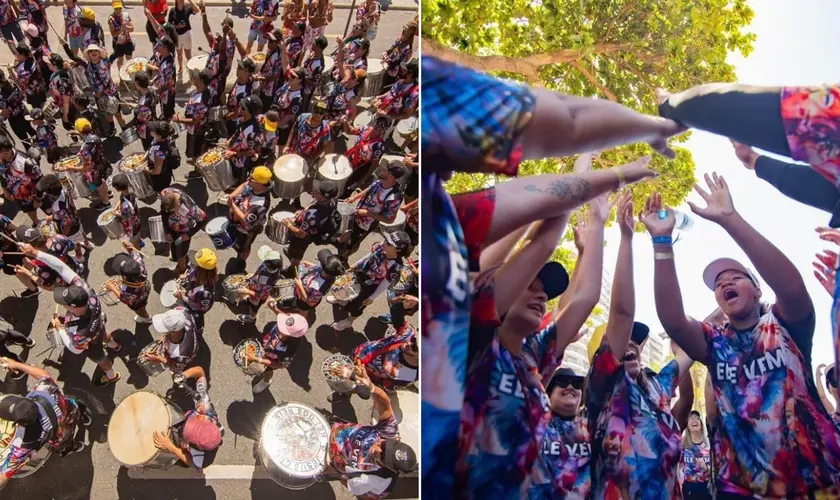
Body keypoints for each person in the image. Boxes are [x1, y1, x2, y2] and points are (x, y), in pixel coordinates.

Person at [421, 56, 681, 492]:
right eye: (531, 285)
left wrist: (600, 201)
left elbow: (578, 294)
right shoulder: (473, 333)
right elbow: (541, 217)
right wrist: (606, 175)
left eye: (545, 289)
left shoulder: (533, 358)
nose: (541, 295)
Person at [643, 173, 840, 497]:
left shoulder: (785, 324)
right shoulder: (714, 341)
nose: (724, 284)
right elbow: (674, 321)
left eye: (735, 277)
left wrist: (730, 219)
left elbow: (791, 287)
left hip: (814, 483)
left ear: (758, 289)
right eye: (718, 284)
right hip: (742, 489)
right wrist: (661, 242)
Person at [20, 244, 122, 385]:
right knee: (104, 333)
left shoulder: (79, 332)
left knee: (100, 358)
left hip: (91, 342)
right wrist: (35, 253)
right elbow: (61, 267)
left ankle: (111, 376)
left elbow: (75, 349)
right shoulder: (86, 290)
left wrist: (60, 328)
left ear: (72, 307)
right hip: (98, 323)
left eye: (64, 303)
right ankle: (114, 346)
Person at [0, 358, 89, 491]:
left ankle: (75, 446)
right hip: (68, 409)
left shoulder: (25, 443)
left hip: (60, 435)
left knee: (64, 443)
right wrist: (17, 364)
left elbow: (4, 476)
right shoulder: (43, 391)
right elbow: (43, 374)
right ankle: (85, 417)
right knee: (77, 408)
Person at [326, 377, 417, 499]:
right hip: (331, 428)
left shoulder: (382, 482)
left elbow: (366, 496)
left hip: (327, 460)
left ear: (389, 468)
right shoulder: (389, 433)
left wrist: (335, 474)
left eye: (382, 456)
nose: (378, 449)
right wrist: (371, 387)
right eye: (384, 446)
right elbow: (385, 404)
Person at [526, 367, 590, 500]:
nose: (570, 387)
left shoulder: (593, 426)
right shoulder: (533, 423)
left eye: (577, 384)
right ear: (549, 393)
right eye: (562, 382)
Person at [330, 231, 411, 332]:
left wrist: (372, 297)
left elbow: (385, 283)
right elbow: (369, 255)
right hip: (361, 274)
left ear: (398, 249)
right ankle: (342, 299)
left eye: (389, 243)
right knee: (347, 286)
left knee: (357, 306)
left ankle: (349, 321)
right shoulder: (382, 246)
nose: (384, 243)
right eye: (386, 239)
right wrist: (356, 265)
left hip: (369, 286)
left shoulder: (396, 267)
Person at [152, 366, 223, 469]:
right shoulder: (206, 409)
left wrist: (172, 448)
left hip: (180, 447)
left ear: (197, 446)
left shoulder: (203, 459)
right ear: (203, 418)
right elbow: (200, 372)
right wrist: (183, 376)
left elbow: (194, 464)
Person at [337, 161, 404, 261]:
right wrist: (355, 197)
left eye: (385, 170)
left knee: (353, 243)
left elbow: (389, 220)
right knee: (347, 229)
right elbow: (369, 189)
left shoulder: (394, 197)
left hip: (365, 225)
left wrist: (367, 213)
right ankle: (343, 241)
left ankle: (344, 257)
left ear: (391, 176)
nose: (381, 169)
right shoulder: (381, 180)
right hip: (358, 212)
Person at [63, 42, 123, 136]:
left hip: (112, 93)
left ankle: (125, 131)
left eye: (96, 51)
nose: (93, 52)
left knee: (118, 115)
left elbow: (116, 53)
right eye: (91, 51)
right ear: (89, 55)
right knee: (107, 115)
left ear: (100, 53)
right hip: (99, 97)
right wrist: (65, 45)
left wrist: (120, 41)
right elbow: (73, 57)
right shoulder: (87, 64)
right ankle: (112, 129)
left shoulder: (106, 61)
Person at [247, 307, 308, 393]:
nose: (280, 324)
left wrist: (257, 359)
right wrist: (274, 308)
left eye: (283, 327)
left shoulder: (288, 351)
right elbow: (284, 316)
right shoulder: (289, 323)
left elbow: (278, 365)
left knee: (267, 370)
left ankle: (266, 381)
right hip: (266, 344)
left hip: (271, 358)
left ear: (291, 336)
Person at [35, 174, 91, 264]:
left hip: (70, 228)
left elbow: (67, 222)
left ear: (49, 193)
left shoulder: (57, 206)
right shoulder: (65, 189)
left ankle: (79, 256)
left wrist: (64, 236)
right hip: (75, 216)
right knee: (81, 231)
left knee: (75, 242)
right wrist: (53, 217)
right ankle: (88, 244)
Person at [352, 317, 417, 393]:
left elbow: (386, 385)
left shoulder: (407, 375)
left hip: (366, 371)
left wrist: (362, 375)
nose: (409, 343)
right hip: (363, 350)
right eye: (414, 340)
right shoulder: (410, 334)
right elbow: (397, 316)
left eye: (415, 347)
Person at [283, 180, 339, 269]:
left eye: (316, 192)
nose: (312, 191)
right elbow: (314, 206)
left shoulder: (312, 217)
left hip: (303, 238)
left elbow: (301, 234)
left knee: (297, 253)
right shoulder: (332, 200)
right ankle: (292, 254)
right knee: (294, 249)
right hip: (314, 229)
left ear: (323, 196)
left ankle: (292, 269)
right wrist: (303, 212)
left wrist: (289, 225)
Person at [279, 248, 344, 320]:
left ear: (326, 271)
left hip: (305, 302)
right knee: (297, 298)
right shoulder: (327, 271)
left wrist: (300, 285)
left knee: (303, 309)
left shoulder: (319, 287)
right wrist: (308, 264)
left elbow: (309, 302)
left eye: (321, 262)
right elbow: (318, 267)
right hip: (302, 291)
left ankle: (302, 319)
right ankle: (294, 302)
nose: (320, 263)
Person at [228, 166, 272, 262]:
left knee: (244, 247)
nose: (248, 179)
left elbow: (245, 220)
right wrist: (232, 195)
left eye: (252, 178)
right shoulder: (253, 184)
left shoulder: (260, 204)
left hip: (246, 231)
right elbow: (244, 185)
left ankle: (241, 261)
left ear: (259, 183)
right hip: (235, 223)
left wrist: (232, 205)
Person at [14, 224, 77, 290]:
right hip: (73, 269)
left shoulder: (40, 267)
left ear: (31, 247)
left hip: (65, 284)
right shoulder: (59, 238)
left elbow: (49, 287)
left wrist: (29, 273)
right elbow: (73, 246)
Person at [159, 187, 206, 274]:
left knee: (181, 252)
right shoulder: (165, 195)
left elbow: (203, 220)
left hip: (185, 230)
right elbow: (164, 215)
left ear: (178, 204)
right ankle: (180, 262)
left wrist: (188, 234)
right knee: (174, 249)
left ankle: (182, 270)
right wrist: (168, 232)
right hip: (173, 227)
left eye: (173, 211)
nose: (170, 212)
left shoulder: (190, 208)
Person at [224, 95, 263, 192]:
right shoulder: (241, 119)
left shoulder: (253, 132)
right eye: (240, 104)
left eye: (243, 107)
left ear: (250, 112)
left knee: (238, 184)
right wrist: (230, 141)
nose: (239, 107)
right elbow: (237, 132)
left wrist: (235, 154)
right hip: (233, 155)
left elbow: (252, 152)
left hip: (242, 163)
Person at [177, 69, 213, 175]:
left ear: (201, 81)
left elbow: (194, 121)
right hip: (197, 128)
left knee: (197, 150)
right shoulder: (205, 91)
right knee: (195, 150)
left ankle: (197, 172)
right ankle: (194, 161)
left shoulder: (200, 101)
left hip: (196, 130)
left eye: (197, 78)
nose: (194, 78)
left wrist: (179, 120)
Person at [236, 245, 284, 324]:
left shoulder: (267, 280)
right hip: (255, 286)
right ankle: (249, 300)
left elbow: (262, 295)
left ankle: (251, 318)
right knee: (251, 301)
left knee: (254, 308)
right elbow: (260, 268)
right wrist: (253, 275)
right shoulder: (272, 266)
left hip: (257, 296)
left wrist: (247, 291)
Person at [107, 241, 152, 324]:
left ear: (124, 277)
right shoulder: (139, 266)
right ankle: (144, 310)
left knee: (139, 308)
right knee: (143, 303)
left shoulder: (128, 289)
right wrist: (129, 248)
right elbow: (135, 254)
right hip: (146, 288)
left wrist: (112, 288)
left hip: (137, 300)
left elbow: (123, 298)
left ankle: (146, 317)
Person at [70, 118, 111, 210]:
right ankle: (106, 193)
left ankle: (106, 203)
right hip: (101, 163)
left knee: (99, 185)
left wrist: (71, 167)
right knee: (102, 182)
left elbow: (87, 166)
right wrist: (78, 133)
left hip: (94, 170)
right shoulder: (96, 137)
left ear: (81, 132)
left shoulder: (85, 148)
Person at [198, 2, 235, 102]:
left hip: (217, 84)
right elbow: (207, 31)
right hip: (208, 80)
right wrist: (203, 13)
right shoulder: (216, 44)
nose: (215, 41)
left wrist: (224, 35)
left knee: (214, 103)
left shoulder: (229, 46)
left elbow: (223, 50)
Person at [0, 136, 41, 225]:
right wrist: (5, 190)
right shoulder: (2, 161)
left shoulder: (25, 162)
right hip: (20, 196)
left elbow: (39, 180)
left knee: (50, 212)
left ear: (5, 152)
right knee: (27, 208)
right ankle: (36, 221)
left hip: (34, 193)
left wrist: (38, 199)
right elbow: (2, 175)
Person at [176, 248, 217, 334]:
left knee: (196, 320)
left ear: (202, 270)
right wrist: (187, 276)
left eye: (196, 263)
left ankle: (197, 331)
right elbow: (192, 272)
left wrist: (183, 297)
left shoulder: (205, 293)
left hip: (196, 309)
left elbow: (198, 306)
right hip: (192, 293)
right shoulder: (200, 271)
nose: (192, 263)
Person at [144, 308, 198, 373]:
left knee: (178, 371)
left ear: (173, 331)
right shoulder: (182, 311)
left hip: (188, 354)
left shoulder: (180, 354)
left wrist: (160, 359)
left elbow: (176, 367)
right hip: (192, 337)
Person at [343, 116, 388, 193]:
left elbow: (374, 165)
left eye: (383, 125)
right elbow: (349, 131)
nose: (379, 125)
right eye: (378, 122)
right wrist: (345, 122)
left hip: (360, 169)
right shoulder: (364, 129)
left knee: (347, 189)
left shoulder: (379, 146)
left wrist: (363, 180)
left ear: (385, 129)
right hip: (350, 160)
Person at [0, 215, 39, 298]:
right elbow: (14, 227)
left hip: (6, 254)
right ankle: (32, 275)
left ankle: (33, 289)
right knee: (25, 260)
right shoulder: (1, 217)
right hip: (14, 243)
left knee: (17, 271)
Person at [680, 410, 712, 500]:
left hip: (707, 487)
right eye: (691, 418)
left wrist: (706, 468)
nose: (694, 420)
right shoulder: (682, 444)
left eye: (697, 418)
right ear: (687, 426)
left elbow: (718, 470)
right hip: (689, 487)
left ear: (701, 425)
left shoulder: (710, 444)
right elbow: (677, 466)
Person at [0, 69, 34, 145]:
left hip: (15, 119)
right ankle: (41, 145)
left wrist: (1, 118)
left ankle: (34, 154)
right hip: (23, 110)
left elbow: (6, 112)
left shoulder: (1, 95)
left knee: (24, 139)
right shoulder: (12, 82)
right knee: (30, 130)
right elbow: (21, 93)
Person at [224, 58, 257, 136]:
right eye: (238, 66)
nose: (237, 69)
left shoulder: (245, 92)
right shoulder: (240, 80)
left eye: (240, 68)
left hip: (235, 123)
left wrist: (226, 117)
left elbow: (239, 112)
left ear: (247, 72)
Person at [381, 19, 416, 90]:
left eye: (406, 27)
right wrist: (385, 53)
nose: (404, 28)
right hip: (387, 66)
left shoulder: (407, 48)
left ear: (411, 32)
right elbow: (391, 49)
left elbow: (401, 64)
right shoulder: (399, 40)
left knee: (384, 88)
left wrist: (389, 62)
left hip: (393, 73)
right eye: (404, 26)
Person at [129, 71, 159, 150]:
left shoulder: (143, 103)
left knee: (148, 148)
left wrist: (135, 109)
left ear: (137, 83)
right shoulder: (152, 90)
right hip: (153, 120)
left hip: (146, 130)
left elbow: (142, 118)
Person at [111, 174, 142, 249]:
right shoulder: (129, 192)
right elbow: (121, 198)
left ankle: (137, 250)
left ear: (117, 189)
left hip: (132, 227)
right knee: (137, 236)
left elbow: (127, 216)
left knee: (133, 240)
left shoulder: (126, 205)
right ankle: (139, 241)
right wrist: (117, 206)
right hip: (137, 219)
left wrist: (117, 214)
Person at [149, 36, 177, 120]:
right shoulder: (163, 56)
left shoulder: (168, 65)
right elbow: (161, 73)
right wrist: (153, 80)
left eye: (160, 44)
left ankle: (170, 127)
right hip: (163, 92)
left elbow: (169, 84)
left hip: (167, 95)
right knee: (165, 111)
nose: (157, 45)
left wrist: (158, 91)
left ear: (165, 48)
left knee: (168, 114)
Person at [11, 43, 45, 108]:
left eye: (17, 54)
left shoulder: (22, 69)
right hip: (40, 88)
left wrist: (13, 75)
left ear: (23, 55)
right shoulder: (33, 59)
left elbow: (20, 84)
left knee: (37, 109)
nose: (16, 56)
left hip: (32, 94)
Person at [167, 0, 197, 75]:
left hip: (186, 34)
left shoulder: (187, 8)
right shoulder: (173, 10)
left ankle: (191, 69)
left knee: (188, 55)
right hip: (177, 35)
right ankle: (181, 67)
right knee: (179, 53)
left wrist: (190, 1)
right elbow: (169, 25)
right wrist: (178, 26)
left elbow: (197, 10)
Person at [256, 29, 283, 111]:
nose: (268, 42)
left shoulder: (278, 57)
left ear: (277, 42)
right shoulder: (270, 51)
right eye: (268, 40)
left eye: (271, 41)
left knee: (265, 108)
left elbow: (275, 77)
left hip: (270, 89)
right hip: (264, 84)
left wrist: (259, 78)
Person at [46, 54, 75, 130]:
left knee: (70, 127)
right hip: (62, 105)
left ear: (55, 66)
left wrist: (65, 116)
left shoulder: (61, 80)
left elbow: (66, 99)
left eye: (49, 62)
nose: (47, 63)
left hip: (69, 109)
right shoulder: (55, 74)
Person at [147, 121, 177, 192]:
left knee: (161, 190)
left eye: (152, 130)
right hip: (165, 169)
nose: (150, 131)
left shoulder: (159, 152)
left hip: (161, 178)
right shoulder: (164, 138)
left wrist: (147, 170)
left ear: (159, 135)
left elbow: (157, 171)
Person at [301, 36, 328, 111]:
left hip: (306, 91)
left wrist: (303, 78)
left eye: (314, 43)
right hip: (300, 85)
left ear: (318, 46)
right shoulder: (312, 54)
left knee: (301, 107)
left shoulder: (318, 64)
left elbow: (315, 83)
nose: (312, 44)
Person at [108, 1, 135, 72]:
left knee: (129, 58)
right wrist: (121, 29)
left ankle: (130, 74)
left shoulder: (126, 15)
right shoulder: (111, 19)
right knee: (120, 59)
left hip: (127, 41)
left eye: (119, 8)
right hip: (117, 43)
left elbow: (132, 29)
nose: (118, 10)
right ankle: (121, 74)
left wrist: (125, 27)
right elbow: (113, 34)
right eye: (116, 8)